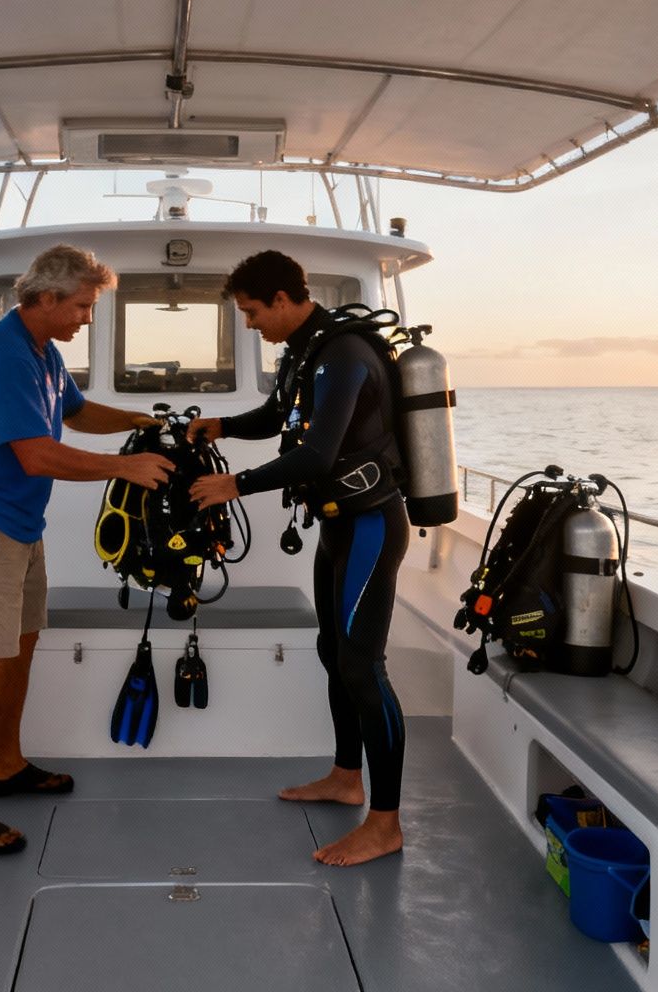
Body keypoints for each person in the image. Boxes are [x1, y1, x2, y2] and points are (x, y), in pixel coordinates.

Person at [0, 244, 173, 855]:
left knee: (20, 644)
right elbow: (36, 454)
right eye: (83, 307)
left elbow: (79, 411)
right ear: (45, 299)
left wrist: (141, 425)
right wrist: (128, 468)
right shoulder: (6, 357)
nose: (87, 318)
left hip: (17, 524)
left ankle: (5, 765)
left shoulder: (43, 351)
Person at [188, 251, 410, 866]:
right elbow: (275, 416)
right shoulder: (305, 350)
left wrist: (234, 485)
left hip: (369, 526)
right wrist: (219, 426)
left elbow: (316, 456)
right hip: (336, 525)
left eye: (254, 312)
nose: (252, 323)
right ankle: (346, 778)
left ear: (283, 298)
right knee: (333, 653)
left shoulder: (343, 355)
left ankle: (386, 823)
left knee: (364, 668)